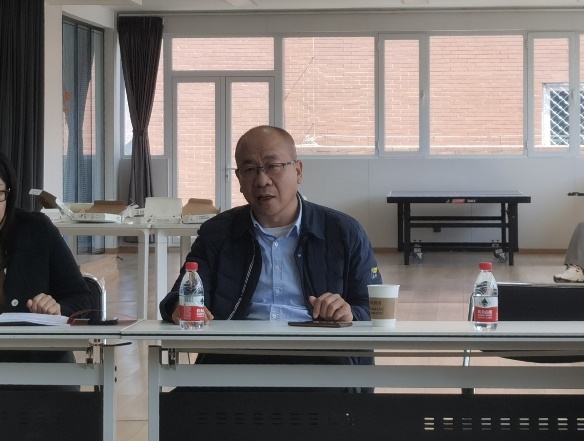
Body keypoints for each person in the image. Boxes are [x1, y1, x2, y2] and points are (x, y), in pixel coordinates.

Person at [160, 125, 382, 388]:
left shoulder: (343, 232)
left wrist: (348, 313)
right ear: (239, 179)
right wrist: (178, 308)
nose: (262, 180)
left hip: (321, 354)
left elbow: (373, 307)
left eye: (272, 166)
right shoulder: (217, 233)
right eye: (250, 169)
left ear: (298, 171)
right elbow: (182, 295)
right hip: (234, 355)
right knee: (176, 406)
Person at [0, 152, 96, 368]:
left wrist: (58, 309)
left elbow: (83, 298)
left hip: (38, 361)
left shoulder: (36, 229)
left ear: (9, 194)